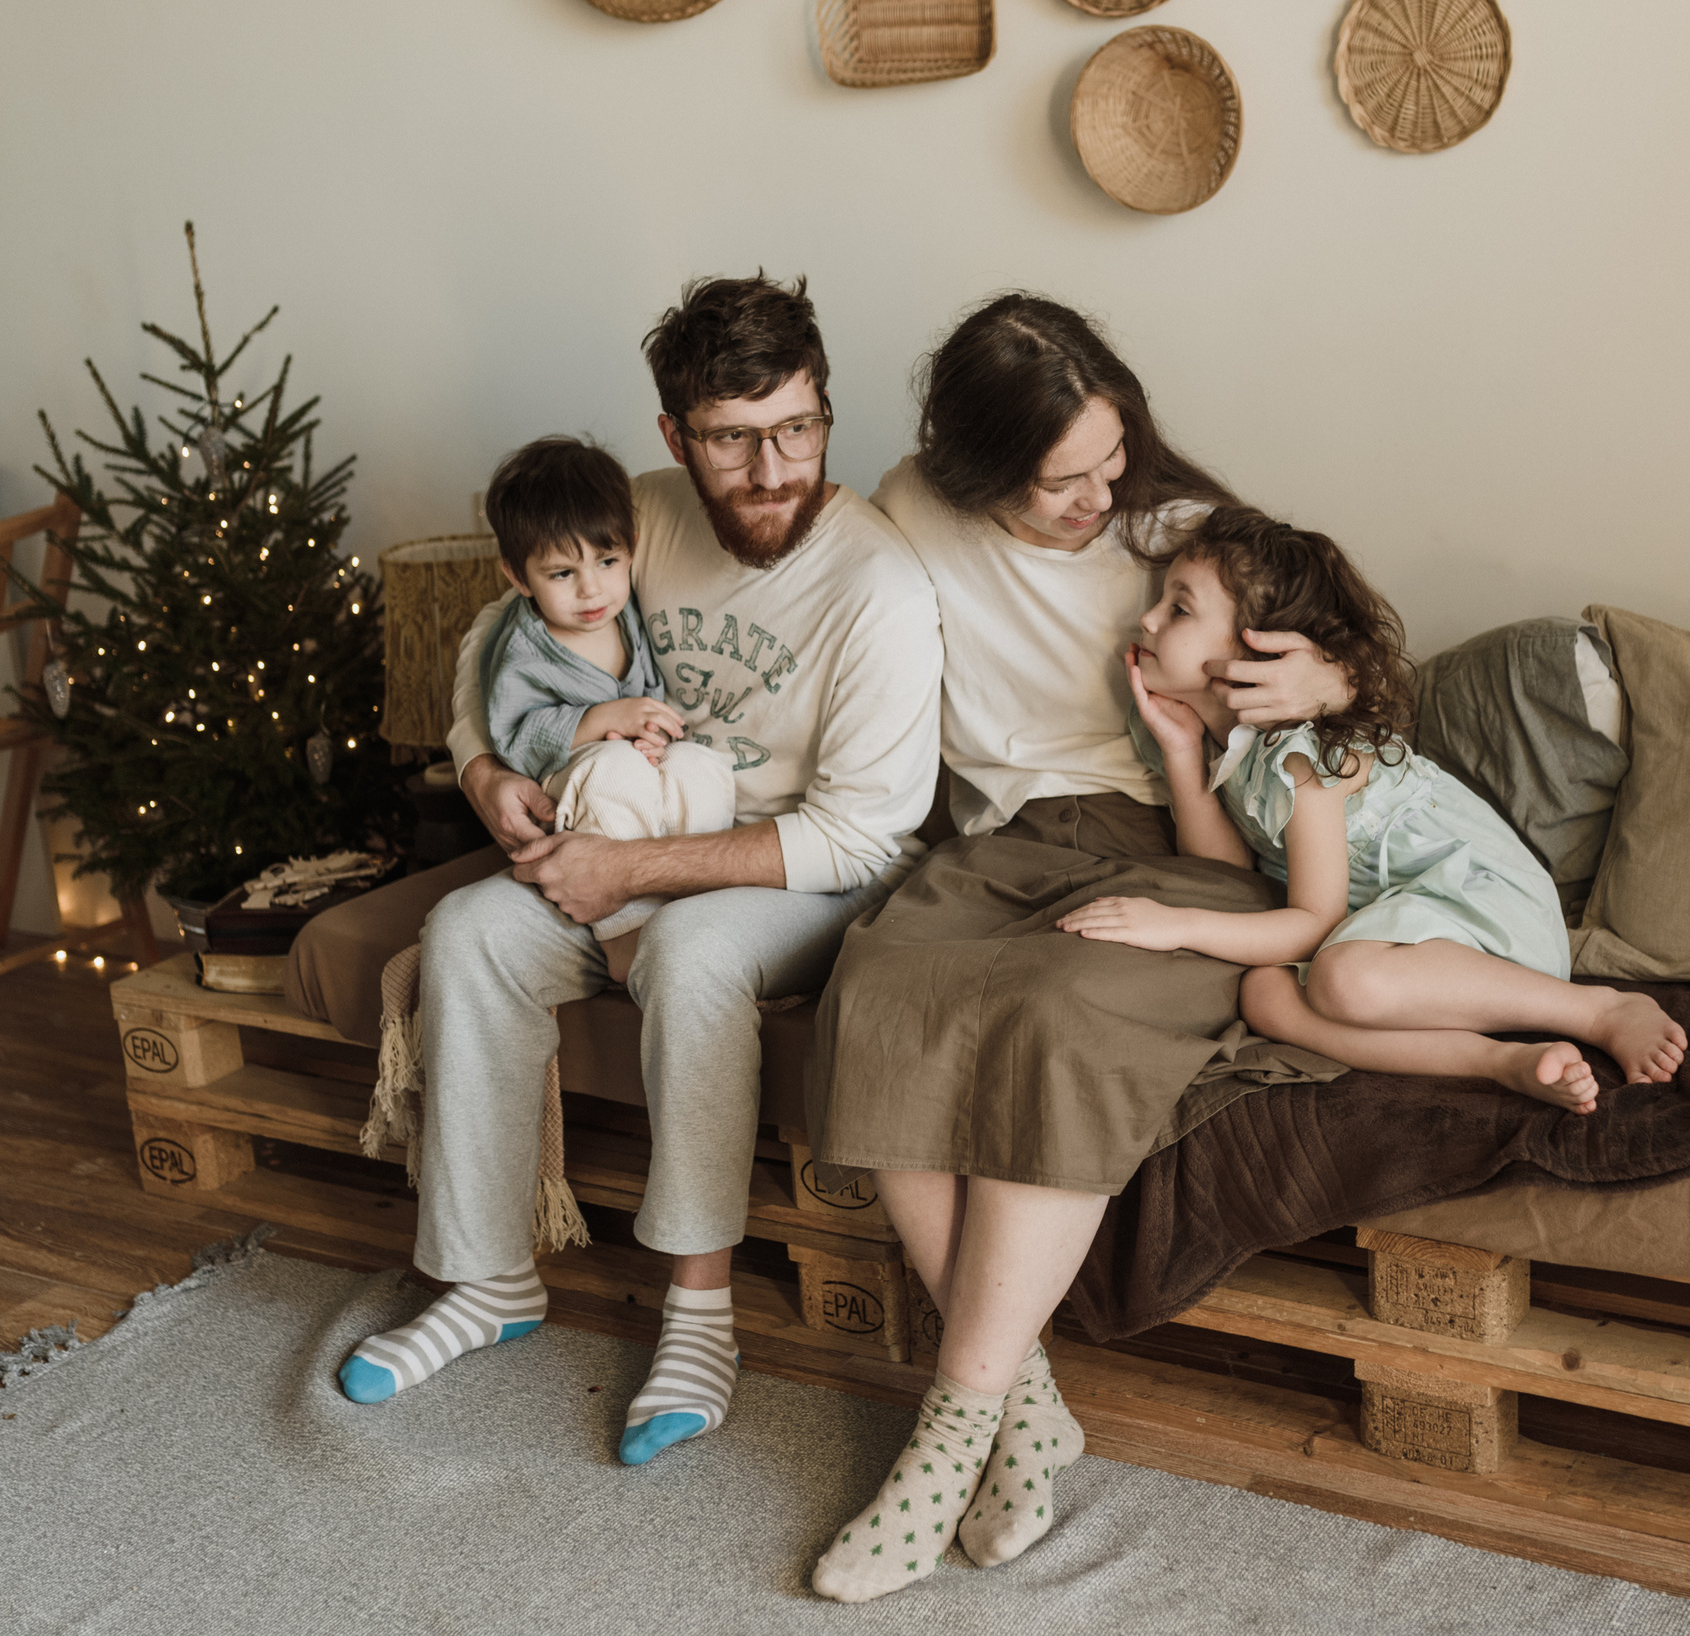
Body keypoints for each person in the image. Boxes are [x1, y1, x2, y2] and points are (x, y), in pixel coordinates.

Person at [338, 276, 942, 1477]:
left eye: (797, 429)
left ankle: (698, 1319)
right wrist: (479, 776)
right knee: (466, 931)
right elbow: (486, 639)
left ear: (825, 412)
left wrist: (631, 869)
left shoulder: (876, 585)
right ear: (674, 436)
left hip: (793, 871)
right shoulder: (645, 514)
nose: (771, 469)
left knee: (690, 950)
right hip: (623, 834)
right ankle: (487, 1278)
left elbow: (864, 837)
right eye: (731, 439)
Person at [801, 295, 1354, 1603]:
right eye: (1063, 480)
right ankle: (1023, 1406)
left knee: (1055, 1016)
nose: (1098, 497)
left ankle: (944, 1436)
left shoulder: (1172, 535)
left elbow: (1336, 661)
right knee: (878, 992)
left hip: (1171, 845)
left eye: (1112, 459)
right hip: (998, 844)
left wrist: (1323, 686)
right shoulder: (908, 507)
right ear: (981, 466)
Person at [1057, 505, 1687, 1108]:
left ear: (1255, 649)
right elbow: (1224, 875)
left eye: (1180, 608)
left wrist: (1175, 923)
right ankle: (1500, 1063)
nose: (1148, 621)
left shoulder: (1306, 756)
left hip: (1481, 909)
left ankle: (1596, 1009)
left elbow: (1310, 918)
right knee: (1265, 996)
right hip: (1387, 934)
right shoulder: (1224, 740)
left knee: (1341, 981)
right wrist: (1180, 752)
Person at [472, 435, 735, 980]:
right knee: (614, 775)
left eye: (608, 561)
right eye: (562, 574)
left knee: (700, 767)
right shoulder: (526, 649)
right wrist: (601, 722)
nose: (592, 590)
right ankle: (626, 944)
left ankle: (702, 913)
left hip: (640, 767)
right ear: (519, 577)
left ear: (631, 548)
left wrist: (653, 736)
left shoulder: (629, 611)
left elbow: (646, 698)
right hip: (573, 791)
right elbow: (515, 736)